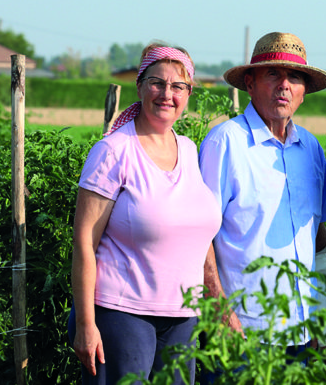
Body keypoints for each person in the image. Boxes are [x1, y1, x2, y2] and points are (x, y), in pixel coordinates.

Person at [69, 43, 221, 385]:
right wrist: (85, 324)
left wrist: (216, 301)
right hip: (123, 313)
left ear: (188, 93)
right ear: (140, 86)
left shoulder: (188, 149)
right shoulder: (113, 151)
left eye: (178, 86)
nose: (167, 94)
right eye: (157, 83)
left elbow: (199, 234)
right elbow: (83, 241)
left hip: (183, 316)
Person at [199, 32, 326, 353]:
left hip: (301, 330)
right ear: (250, 83)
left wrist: (322, 318)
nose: (284, 85)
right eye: (273, 73)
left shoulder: (311, 148)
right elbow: (200, 235)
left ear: (304, 92)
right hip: (244, 329)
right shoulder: (227, 142)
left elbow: (317, 236)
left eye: (295, 77)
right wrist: (221, 313)